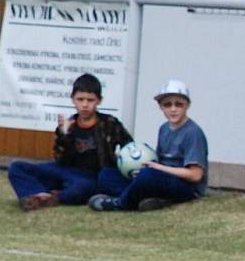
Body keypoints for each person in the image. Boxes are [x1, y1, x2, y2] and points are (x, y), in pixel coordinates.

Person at [7, 73, 132, 210]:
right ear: (73, 99)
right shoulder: (69, 125)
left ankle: (55, 197)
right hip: (66, 170)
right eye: (80, 99)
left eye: (90, 100)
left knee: (83, 187)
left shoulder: (109, 123)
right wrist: (64, 135)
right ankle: (37, 195)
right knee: (17, 167)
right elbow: (59, 159)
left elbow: (129, 146)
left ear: (99, 101)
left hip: (93, 176)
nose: (85, 105)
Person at [88, 79, 208, 212]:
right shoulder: (164, 128)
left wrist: (158, 169)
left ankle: (120, 203)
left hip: (186, 187)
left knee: (147, 176)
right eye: (167, 104)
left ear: (187, 106)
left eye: (179, 104)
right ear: (161, 106)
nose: (173, 109)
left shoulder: (193, 132)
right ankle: (149, 199)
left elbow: (195, 175)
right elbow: (159, 161)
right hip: (161, 178)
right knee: (106, 175)